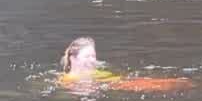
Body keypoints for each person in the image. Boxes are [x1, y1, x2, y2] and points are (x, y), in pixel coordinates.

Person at [57, 36, 193, 93]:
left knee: (154, 83)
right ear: (73, 58)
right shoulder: (67, 80)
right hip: (111, 86)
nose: (92, 60)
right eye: (87, 57)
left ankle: (177, 83)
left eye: (94, 56)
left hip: (114, 82)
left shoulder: (98, 72)